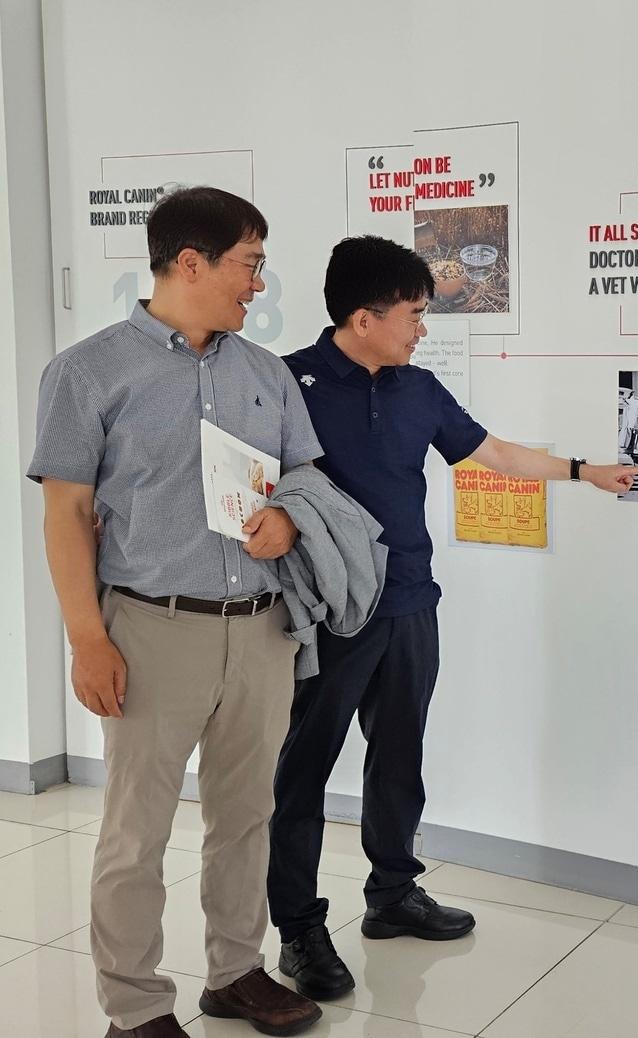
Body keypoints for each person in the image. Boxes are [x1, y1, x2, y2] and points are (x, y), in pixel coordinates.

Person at [267, 235, 638, 1001]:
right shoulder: (284, 384)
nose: (421, 328)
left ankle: (392, 895)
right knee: (303, 771)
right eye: (412, 313)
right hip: (329, 611)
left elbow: (494, 454)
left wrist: (583, 472)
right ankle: (300, 929)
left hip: (410, 601)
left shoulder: (417, 387)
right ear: (366, 316)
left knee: (399, 755)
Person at [28, 187, 324, 1038]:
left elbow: (304, 475)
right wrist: (88, 638)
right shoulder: (89, 371)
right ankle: (135, 1006)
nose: (258, 285)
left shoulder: (264, 373)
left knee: (246, 816)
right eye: (249, 264)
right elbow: (64, 513)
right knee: (136, 830)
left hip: (262, 630)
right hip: (150, 628)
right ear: (189, 262)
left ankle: (234, 972)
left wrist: (290, 516)